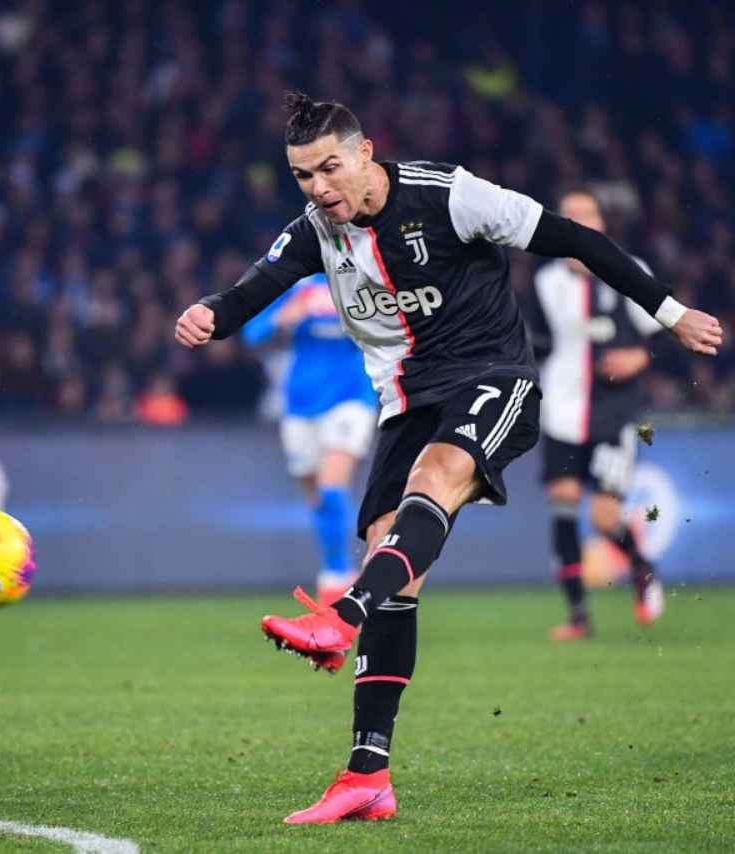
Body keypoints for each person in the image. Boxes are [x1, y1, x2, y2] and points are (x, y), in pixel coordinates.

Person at [174, 94, 722, 825]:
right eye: (303, 175)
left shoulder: (453, 197)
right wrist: (209, 313)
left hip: (494, 379)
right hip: (407, 404)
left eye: (328, 168)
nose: (318, 187)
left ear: (365, 151)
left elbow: (576, 240)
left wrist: (671, 312)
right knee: (391, 563)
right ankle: (367, 774)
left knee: (432, 483)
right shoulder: (317, 229)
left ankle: (342, 615)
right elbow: (254, 289)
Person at [526, 189, 664, 640]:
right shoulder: (545, 281)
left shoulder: (630, 271)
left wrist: (637, 360)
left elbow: (662, 335)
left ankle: (642, 568)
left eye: (586, 215)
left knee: (605, 518)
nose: (578, 222)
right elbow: (535, 342)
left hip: (614, 414)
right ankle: (578, 616)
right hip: (561, 412)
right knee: (563, 506)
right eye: (569, 216)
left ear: (603, 222)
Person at [242, 272, 377, 603]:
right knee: (317, 496)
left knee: (333, 488)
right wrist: (283, 319)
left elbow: (387, 331)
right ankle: (339, 566)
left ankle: (336, 573)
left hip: (350, 398)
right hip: (300, 404)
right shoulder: (297, 284)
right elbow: (252, 333)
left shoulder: (363, 276)